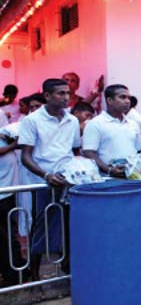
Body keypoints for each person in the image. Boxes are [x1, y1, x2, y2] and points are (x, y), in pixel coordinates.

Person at [18, 78, 81, 280]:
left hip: (68, 181)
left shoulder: (72, 120)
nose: (65, 98)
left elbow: (74, 150)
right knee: (41, 228)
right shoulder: (32, 120)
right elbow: (25, 156)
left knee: (70, 225)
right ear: (47, 96)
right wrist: (46, 175)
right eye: (60, 93)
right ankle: (35, 277)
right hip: (43, 182)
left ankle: (68, 269)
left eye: (67, 94)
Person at [82, 84, 141, 177]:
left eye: (128, 98)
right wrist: (109, 170)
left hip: (132, 177)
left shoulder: (133, 124)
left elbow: (138, 150)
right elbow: (89, 152)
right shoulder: (95, 123)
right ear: (109, 100)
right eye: (122, 97)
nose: (127, 101)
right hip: (107, 178)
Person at [0, 121, 22, 286]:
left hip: (7, 191)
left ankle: (15, 269)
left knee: (9, 233)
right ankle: (10, 273)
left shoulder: (6, 132)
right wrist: (14, 145)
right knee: (4, 235)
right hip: (2, 193)